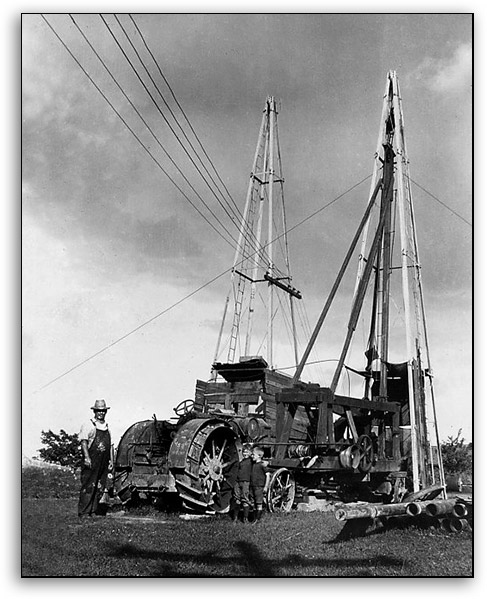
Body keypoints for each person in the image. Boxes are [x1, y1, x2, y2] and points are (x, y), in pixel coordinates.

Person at [78, 399, 112, 519]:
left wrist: (110, 461)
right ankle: (84, 512)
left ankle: (93, 510)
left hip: (103, 461)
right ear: (95, 411)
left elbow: (109, 446)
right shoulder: (89, 425)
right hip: (92, 460)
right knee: (89, 485)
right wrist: (87, 457)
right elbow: (83, 442)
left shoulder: (106, 427)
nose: (101, 413)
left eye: (103, 411)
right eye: (99, 411)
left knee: (99, 486)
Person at [230, 444, 253, 523]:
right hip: (237, 482)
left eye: (247, 452)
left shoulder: (251, 461)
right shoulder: (241, 462)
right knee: (237, 500)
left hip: (246, 482)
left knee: (245, 500)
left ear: (251, 453)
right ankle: (235, 518)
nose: (245, 454)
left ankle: (245, 518)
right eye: (244, 452)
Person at [250, 446, 267, 523]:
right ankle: (254, 518)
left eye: (253, 455)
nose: (252, 456)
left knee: (259, 503)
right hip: (253, 485)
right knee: (253, 503)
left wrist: (266, 486)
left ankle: (257, 519)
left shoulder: (262, 465)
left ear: (259, 456)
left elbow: (268, 475)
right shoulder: (253, 464)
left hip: (259, 486)